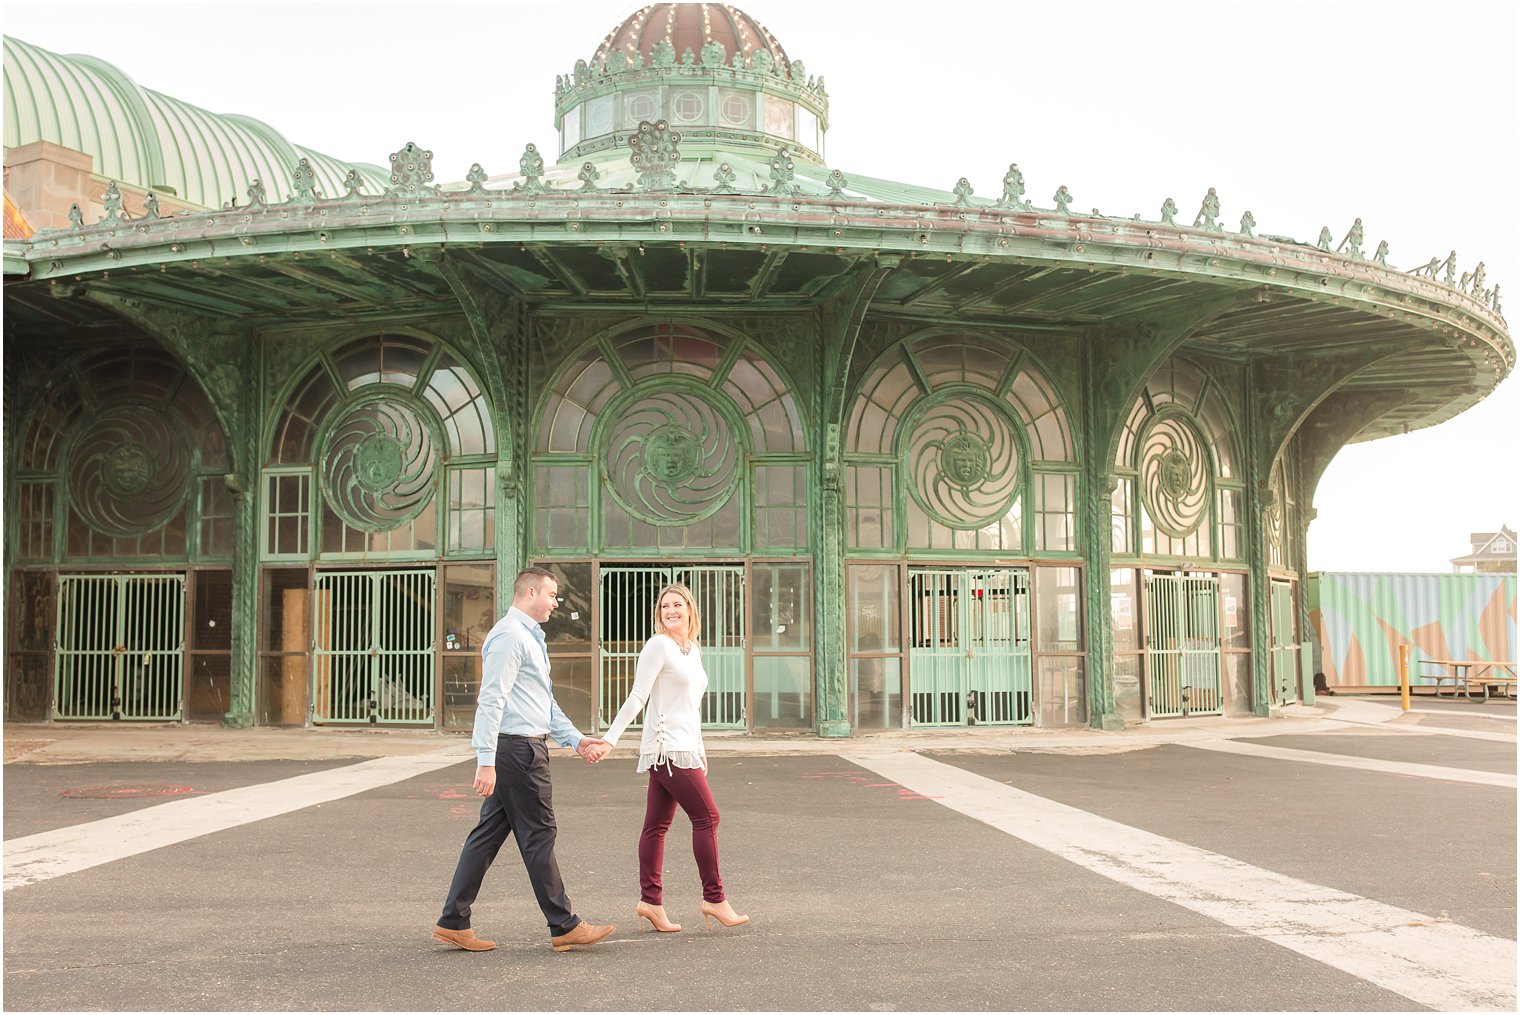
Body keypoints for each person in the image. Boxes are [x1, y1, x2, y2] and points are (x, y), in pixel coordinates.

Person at [432, 566, 614, 953]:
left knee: (488, 835)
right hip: (517, 750)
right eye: (552, 595)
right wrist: (484, 758)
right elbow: (492, 698)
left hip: (522, 746)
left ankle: (453, 921)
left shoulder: (530, 638)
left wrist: (577, 741)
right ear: (530, 591)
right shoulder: (509, 636)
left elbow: (541, 702)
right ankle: (564, 925)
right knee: (539, 835)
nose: (555, 602)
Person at [601, 583, 749, 934]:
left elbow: (691, 708)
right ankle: (714, 898)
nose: (671, 610)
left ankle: (650, 902)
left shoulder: (691, 650)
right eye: (665, 606)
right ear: (659, 613)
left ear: (689, 610)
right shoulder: (658, 646)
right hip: (667, 749)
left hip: (684, 746)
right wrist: (610, 738)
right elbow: (638, 696)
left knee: (656, 825)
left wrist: (700, 749)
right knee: (708, 818)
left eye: (677, 605)